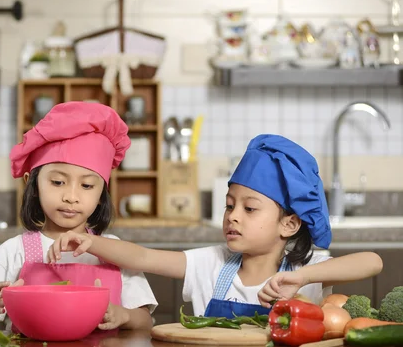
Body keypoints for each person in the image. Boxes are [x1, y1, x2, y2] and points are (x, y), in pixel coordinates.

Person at [47, 134, 383, 318]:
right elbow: (143, 257)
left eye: (249, 208)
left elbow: (372, 261)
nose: (232, 216)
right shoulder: (210, 264)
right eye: (229, 205)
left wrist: (304, 277)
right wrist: (89, 241)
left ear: (289, 223)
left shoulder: (306, 271)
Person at [0, 101, 157, 331]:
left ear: (102, 193)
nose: (71, 196)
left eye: (87, 185)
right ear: (32, 183)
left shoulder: (113, 252)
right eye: (58, 182)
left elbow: (145, 322)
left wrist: (124, 315)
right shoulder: (11, 253)